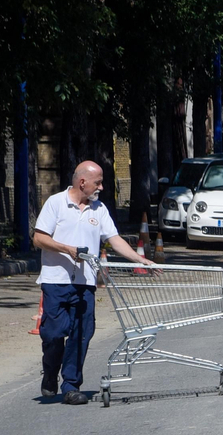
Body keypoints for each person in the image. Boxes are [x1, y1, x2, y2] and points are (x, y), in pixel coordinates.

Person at [31, 162, 156, 404]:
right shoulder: (56, 203)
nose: (101, 187)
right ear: (82, 183)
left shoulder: (99, 209)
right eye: (97, 182)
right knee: (53, 334)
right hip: (55, 281)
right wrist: (67, 249)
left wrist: (140, 259)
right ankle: (50, 372)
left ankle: (70, 386)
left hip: (85, 283)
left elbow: (114, 239)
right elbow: (39, 238)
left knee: (82, 334)